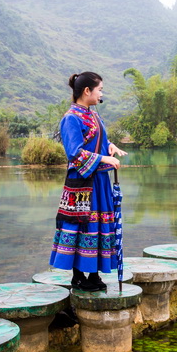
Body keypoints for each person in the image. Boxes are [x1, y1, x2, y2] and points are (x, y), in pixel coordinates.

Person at [49, 72, 127, 291]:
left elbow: (99, 139)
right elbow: (74, 153)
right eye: (100, 89)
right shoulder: (71, 118)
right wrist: (103, 158)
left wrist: (110, 146)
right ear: (87, 91)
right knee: (82, 225)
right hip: (81, 184)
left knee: (98, 225)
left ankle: (93, 274)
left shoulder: (93, 115)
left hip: (99, 181)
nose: (101, 93)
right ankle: (78, 276)